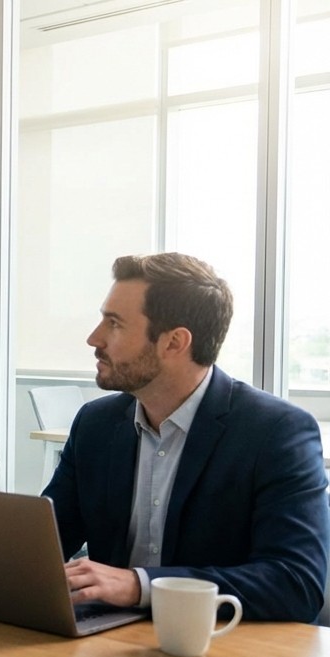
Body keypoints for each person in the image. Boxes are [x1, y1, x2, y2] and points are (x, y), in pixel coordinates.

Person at [46, 253, 328, 622]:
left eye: (114, 324)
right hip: (106, 639)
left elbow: (296, 583)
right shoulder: (95, 423)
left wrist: (140, 585)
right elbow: (44, 544)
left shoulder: (276, 432)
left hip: (220, 644)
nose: (94, 338)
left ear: (174, 342)